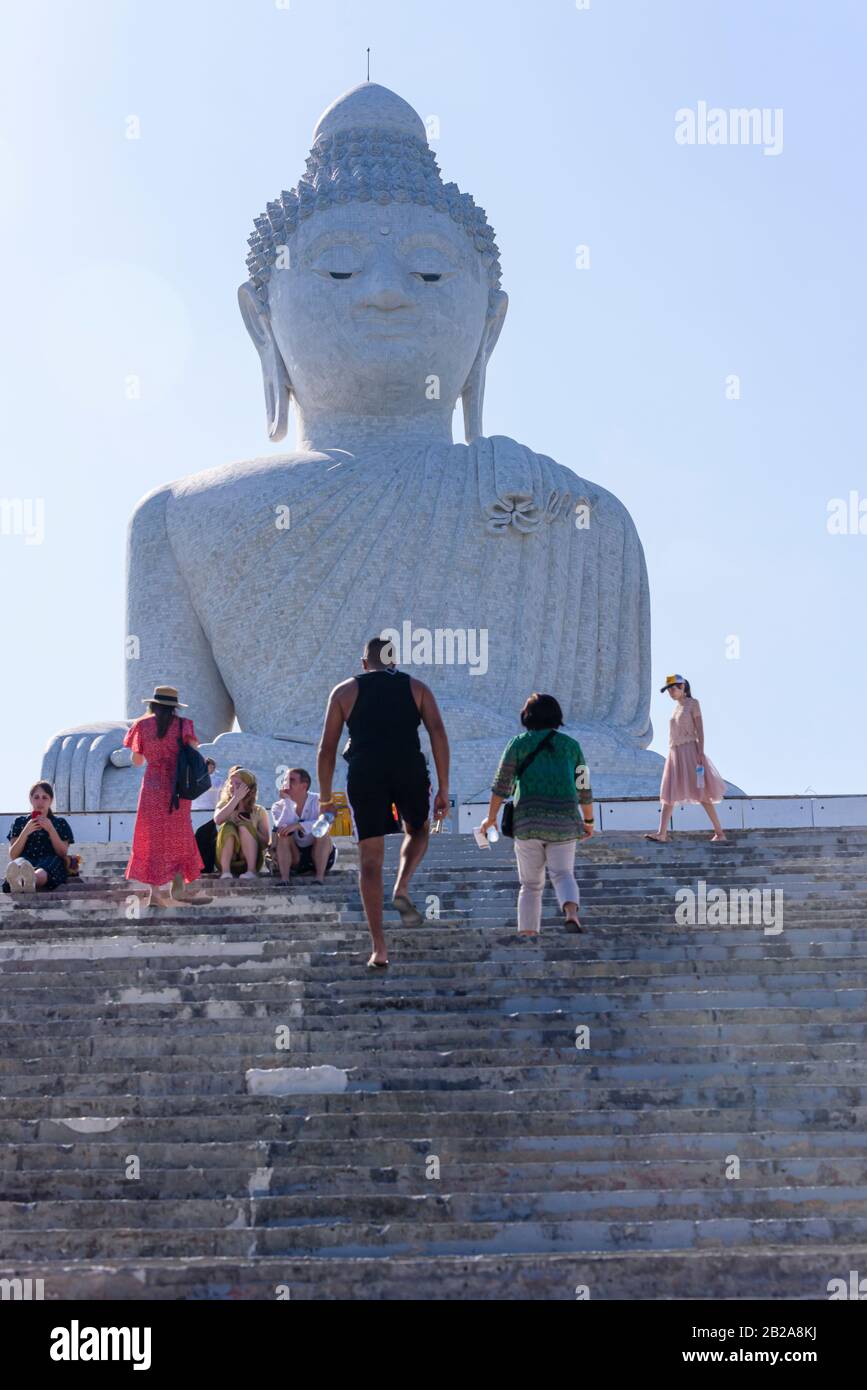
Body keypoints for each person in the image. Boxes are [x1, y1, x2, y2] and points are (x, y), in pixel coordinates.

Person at [317, 637, 450, 969]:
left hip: (365, 773)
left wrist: (323, 797)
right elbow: (438, 732)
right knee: (418, 829)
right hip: (408, 768)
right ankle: (402, 885)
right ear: (394, 661)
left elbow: (327, 748)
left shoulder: (344, 692)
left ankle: (379, 948)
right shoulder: (416, 688)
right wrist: (444, 789)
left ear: (364, 663)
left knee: (370, 860)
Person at [480, 693, 594, 936]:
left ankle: (528, 933)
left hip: (527, 821)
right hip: (563, 820)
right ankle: (571, 913)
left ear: (527, 716)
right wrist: (589, 820)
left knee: (530, 885)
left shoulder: (517, 744)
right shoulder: (571, 746)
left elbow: (501, 785)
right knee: (563, 873)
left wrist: (491, 818)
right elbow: (584, 785)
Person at [124, 685, 213, 909]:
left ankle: (154, 893)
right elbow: (194, 752)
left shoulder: (141, 726)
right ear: (175, 707)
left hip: (152, 787)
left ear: (152, 704)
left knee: (153, 838)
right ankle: (179, 887)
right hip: (177, 787)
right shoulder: (184, 725)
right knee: (180, 834)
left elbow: (137, 761)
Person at [645, 675, 727, 844]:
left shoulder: (692, 704)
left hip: (690, 749)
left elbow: (700, 729)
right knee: (668, 792)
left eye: (673, 688)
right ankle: (662, 833)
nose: (670, 692)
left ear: (682, 686)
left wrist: (700, 753)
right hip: (675, 752)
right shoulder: (676, 708)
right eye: (668, 689)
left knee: (701, 792)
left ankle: (719, 832)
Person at [4, 780, 75, 896]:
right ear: (30, 799)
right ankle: (20, 881)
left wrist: (51, 829)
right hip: (25, 859)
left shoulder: (59, 823)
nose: (40, 801)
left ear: (51, 800)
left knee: (42, 872)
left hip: (50, 860)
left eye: (44, 797)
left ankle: (25, 882)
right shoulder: (19, 822)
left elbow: (62, 852)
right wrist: (25, 831)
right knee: (18, 864)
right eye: (36, 797)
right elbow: (13, 855)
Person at [271, 768, 336, 886]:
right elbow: (280, 826)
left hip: (321, 853)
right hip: (294, 856)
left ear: (304, 785)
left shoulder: (319, 800)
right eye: (285, 780)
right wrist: (288, 803)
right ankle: (284, 879)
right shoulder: (278, 806)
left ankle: (319, 878)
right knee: (283, 834)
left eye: (291, 780)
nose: (286, 784)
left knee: (322, 832)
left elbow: (327, 823)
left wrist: (299, 825)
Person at [214, 768, 271, 880]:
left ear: (248, 788)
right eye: (231, 783)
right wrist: (236, 798)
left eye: (238, 784)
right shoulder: (223, 805)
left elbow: (265, 843)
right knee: (228, 827)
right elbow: (218, 820)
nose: (233, 786)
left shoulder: (259, 811)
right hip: (227, 862)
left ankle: (251, 871)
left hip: (249, 861)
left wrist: (252, 828)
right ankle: (226, 872)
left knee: (245, 826)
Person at [192, 759, 224, 873]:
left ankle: (208, 867)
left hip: (211, 813)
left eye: (212, 767)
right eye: (208, 766)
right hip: (195, 813)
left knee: (210, 843)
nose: (210, 769)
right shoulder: (195, 779)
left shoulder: (219, 781)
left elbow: (221, 797)